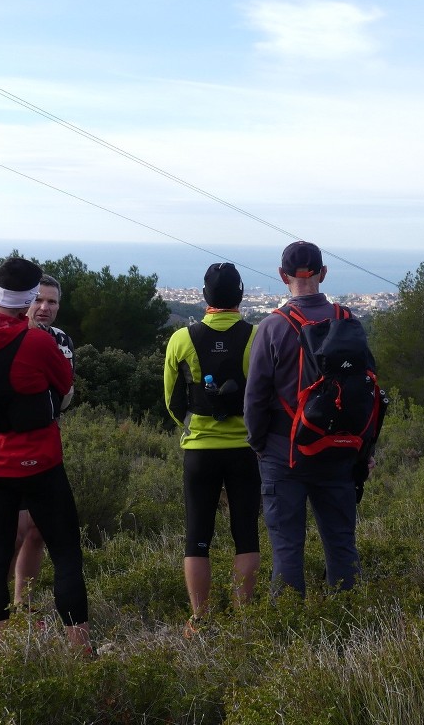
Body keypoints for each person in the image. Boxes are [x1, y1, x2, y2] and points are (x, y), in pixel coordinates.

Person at [0, 257, 91, 650]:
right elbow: (65, 384)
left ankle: (4, 650)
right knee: (67, 553)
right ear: (26, 299)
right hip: (39, 462)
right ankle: (79, 649)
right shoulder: (38, 341)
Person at [244, 241, 366, 594]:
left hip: (285, 455)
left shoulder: (273, 327)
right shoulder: (348, 322)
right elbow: (367, 394)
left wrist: (258, 444)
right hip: (339, 452)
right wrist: (363, 450)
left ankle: (287, 633)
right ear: (323, 274)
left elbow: (255, 398)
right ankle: (351, 626)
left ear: (283, 276)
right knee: (342, 546)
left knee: (286, 550)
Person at [164, 262, 260, 635]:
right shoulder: (255, 336)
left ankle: (200, 619)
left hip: (199, 452)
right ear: (240, 295)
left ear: (205, 297)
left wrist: (195, 428)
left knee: (197, 536)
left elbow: (172, 401)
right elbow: (265, 395)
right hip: (245, 450)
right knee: (246, 534)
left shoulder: (181, 339)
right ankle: (243, 618)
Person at [11, 273, 75, 607]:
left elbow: (65, 394)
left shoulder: (61, 340)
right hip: (9, 448)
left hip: (47, 444)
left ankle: (25, 605)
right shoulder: (9, 336)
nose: (44, 307)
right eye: (38, 300)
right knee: (15, 531)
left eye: (52, 301)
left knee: (36, 529)